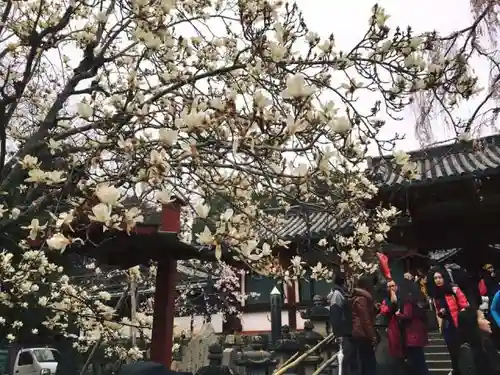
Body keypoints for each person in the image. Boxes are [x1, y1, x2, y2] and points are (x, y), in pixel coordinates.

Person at [427, 267, 469, 375]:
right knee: (451, 350)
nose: (438, 280)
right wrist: (441, 314)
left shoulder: (453, 289)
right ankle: (456, 369)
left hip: (458, 324)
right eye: (435, 278)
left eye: (440, 277)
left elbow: (465, 305)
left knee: (461, 350)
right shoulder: (435, 295)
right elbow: (438, 313)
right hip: (447, 325)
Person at [458, 307, 499, 375]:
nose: (488, 322)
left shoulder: (465, 347)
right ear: (473, 323)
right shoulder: (484, 343)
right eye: (483, 318)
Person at [351, 274, 378, 375]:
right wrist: (373, 336)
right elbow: (366, 319)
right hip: (363, 334)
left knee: (365, 361)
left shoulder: (361, 298)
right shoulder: (362, 299)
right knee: (368, 362)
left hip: (362, 333)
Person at [328, 273, 353, 375]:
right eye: (347, 281)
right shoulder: (337, 295)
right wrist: (338, 333)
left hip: (347, 331)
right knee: (344, 360)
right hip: (343, 332)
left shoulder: (342, 293)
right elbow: (335, 315)